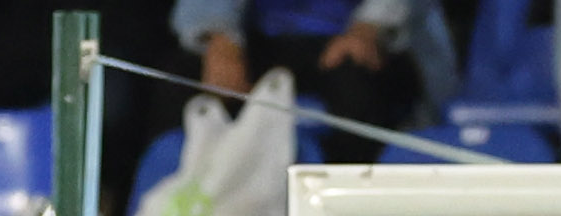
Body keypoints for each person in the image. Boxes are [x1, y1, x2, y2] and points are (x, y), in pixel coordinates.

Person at [183, 0, 431, 166]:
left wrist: (369, 27)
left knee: (358, 87)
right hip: (257, 39)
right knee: (188, 77)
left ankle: (351, 212)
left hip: (354, 38)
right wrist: (221, 39)